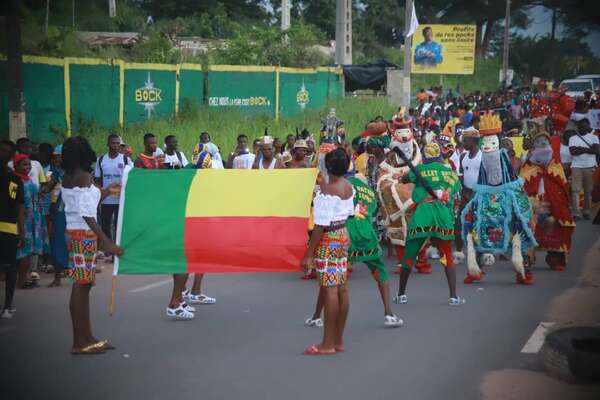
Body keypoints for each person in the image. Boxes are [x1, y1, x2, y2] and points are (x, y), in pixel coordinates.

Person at [61, 136, 123, 354]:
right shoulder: (84, 176)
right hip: (82, 234)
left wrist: (107, 191)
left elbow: (86, 201)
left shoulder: (71, 175)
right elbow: (88, 214)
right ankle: (80, 341)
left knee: (84, 284)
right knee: (81, 285)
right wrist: (107, 243)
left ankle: (86, 337)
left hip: (76, 233)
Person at [395, 143, 463, 306]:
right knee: (447, 255)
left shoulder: (419, 169)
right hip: (442, 215)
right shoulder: (450, 172)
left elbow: (403, 180)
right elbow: (455, 191)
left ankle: (401, 295)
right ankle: (453, 297)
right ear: (440, 157)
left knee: (410, 254)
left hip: (423, 214)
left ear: (425, 157)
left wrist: (406, 175)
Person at [301, 148, 354, 355]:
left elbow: (320, 225)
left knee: (330, 289)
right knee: (341, 288)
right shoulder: (348, 186)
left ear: (328, 166)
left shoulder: (326, 192)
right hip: (343, 235)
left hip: (329, 239)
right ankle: (338, 340)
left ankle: (327, 343)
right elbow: (348, 212)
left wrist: (309, 253)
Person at [520, 130, 575, 271]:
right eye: (539, 143)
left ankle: (555, 258)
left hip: (553, 204)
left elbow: (562, 186)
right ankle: (527, 257)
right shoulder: (527, 167)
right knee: (527, 224)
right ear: (533, 148)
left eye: (546, 143)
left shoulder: (556, 166)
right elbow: (521, 188)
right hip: (533, 204)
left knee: (559, 222)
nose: (543, 145)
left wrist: (560, 202)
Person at [13, 154, 49, 289]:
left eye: (29, 165)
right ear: (16, 166)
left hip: (34, 216)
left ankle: (25, 278)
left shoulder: (27, 180)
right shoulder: (16, 181)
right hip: (24, 219)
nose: (27, 167)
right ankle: (21, 281)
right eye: (24, 165)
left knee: (29, 251)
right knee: (24, 251)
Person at [94, 134, 132, 262]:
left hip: (121, 198)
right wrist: (101, 193)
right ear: (108, 144)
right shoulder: (101, 160)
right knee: (105, 224)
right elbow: (97, 180)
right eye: (113, 143)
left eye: (117, 144)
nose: (115, 146)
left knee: (118, 224)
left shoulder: (125, 160)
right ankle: (109, 249)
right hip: (106, 199)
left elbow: (131, 177)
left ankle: (117, 250)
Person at [0, 140, 25, 318]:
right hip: (9, 228)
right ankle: (7, 307)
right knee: (10, 268)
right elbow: (19, 207)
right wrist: (21, 230)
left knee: (9, 269)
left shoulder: (14, 179)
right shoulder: (14, 179)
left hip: (9, 227)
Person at [569, 118, 599, 220]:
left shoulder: (594, 137)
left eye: (585, 126)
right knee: (575, 190)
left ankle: (586, 211)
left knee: (588, 191)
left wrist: (580, 149)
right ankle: (576, 213)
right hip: (576, 166)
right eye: (581, 126)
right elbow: (573, 152)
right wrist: (589, 150)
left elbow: (596, 151)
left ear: (588, 126)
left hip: (590, 166)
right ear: (578, 127)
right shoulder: (572, 138)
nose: (583, 128)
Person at [48, 144, 67, 287]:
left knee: (76, 240)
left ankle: (83, 275)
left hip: (73, 210)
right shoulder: (55, 170)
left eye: (58, 156)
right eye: (54, 156)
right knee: (57, 239)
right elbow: (50, 185)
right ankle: (57, 276)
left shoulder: (75, 171)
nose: (55, 159)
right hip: (59, 210)